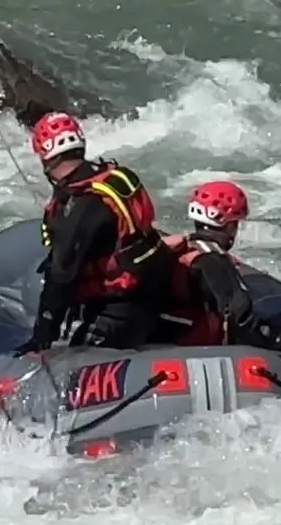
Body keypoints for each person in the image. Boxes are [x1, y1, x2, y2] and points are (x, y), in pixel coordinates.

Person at [13, 111, 172, 355]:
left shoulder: (82, 204)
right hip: (153, 291)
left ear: (46, 156)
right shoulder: (112, 177)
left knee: (71, 358)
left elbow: (61, 277)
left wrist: (42, 337)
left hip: (119, 311)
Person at [156, 180, 281, 354]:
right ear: (229, 226)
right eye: (235, 224)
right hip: (196, 347)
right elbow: (241, 322)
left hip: (165, 337)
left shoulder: (181, 250)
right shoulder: (212, 262)